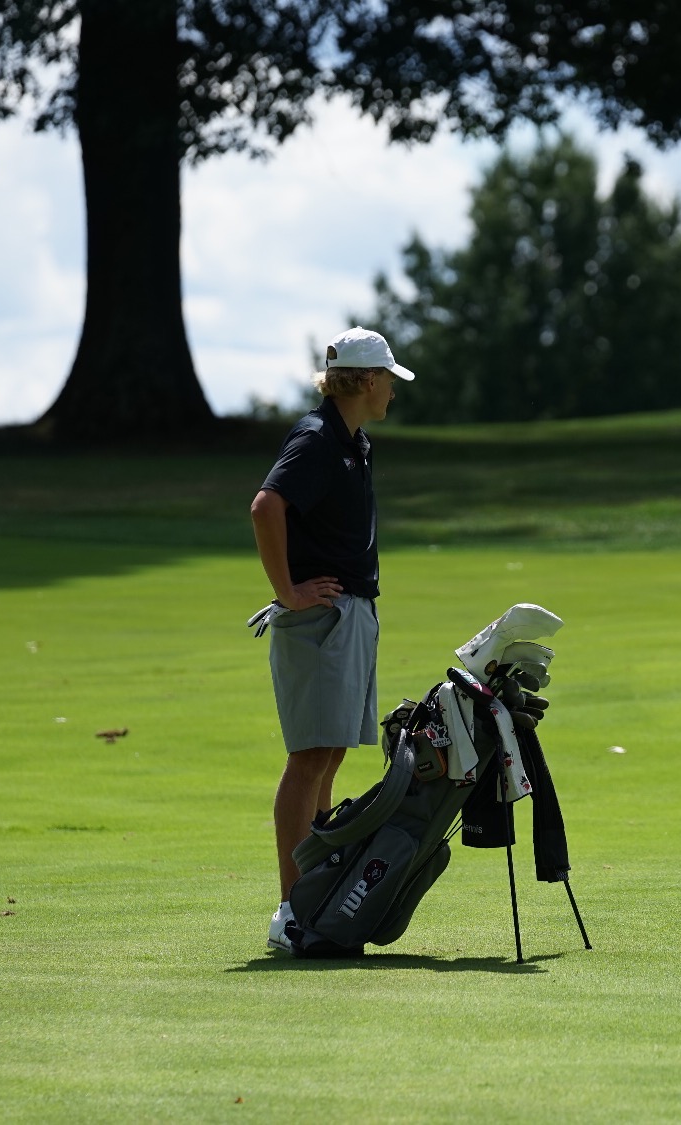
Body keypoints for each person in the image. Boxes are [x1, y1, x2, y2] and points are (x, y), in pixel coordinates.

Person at [250, 326, 414, 952]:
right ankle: (292, 909)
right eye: (388, 380)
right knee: (310, 757)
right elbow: (266, 507)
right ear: (366, 380)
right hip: (320, 619)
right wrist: (288, 590)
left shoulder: (354, 442)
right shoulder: (317, 438)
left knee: (331, 753)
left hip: (350, 614)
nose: (392, 391)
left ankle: (316, 894)